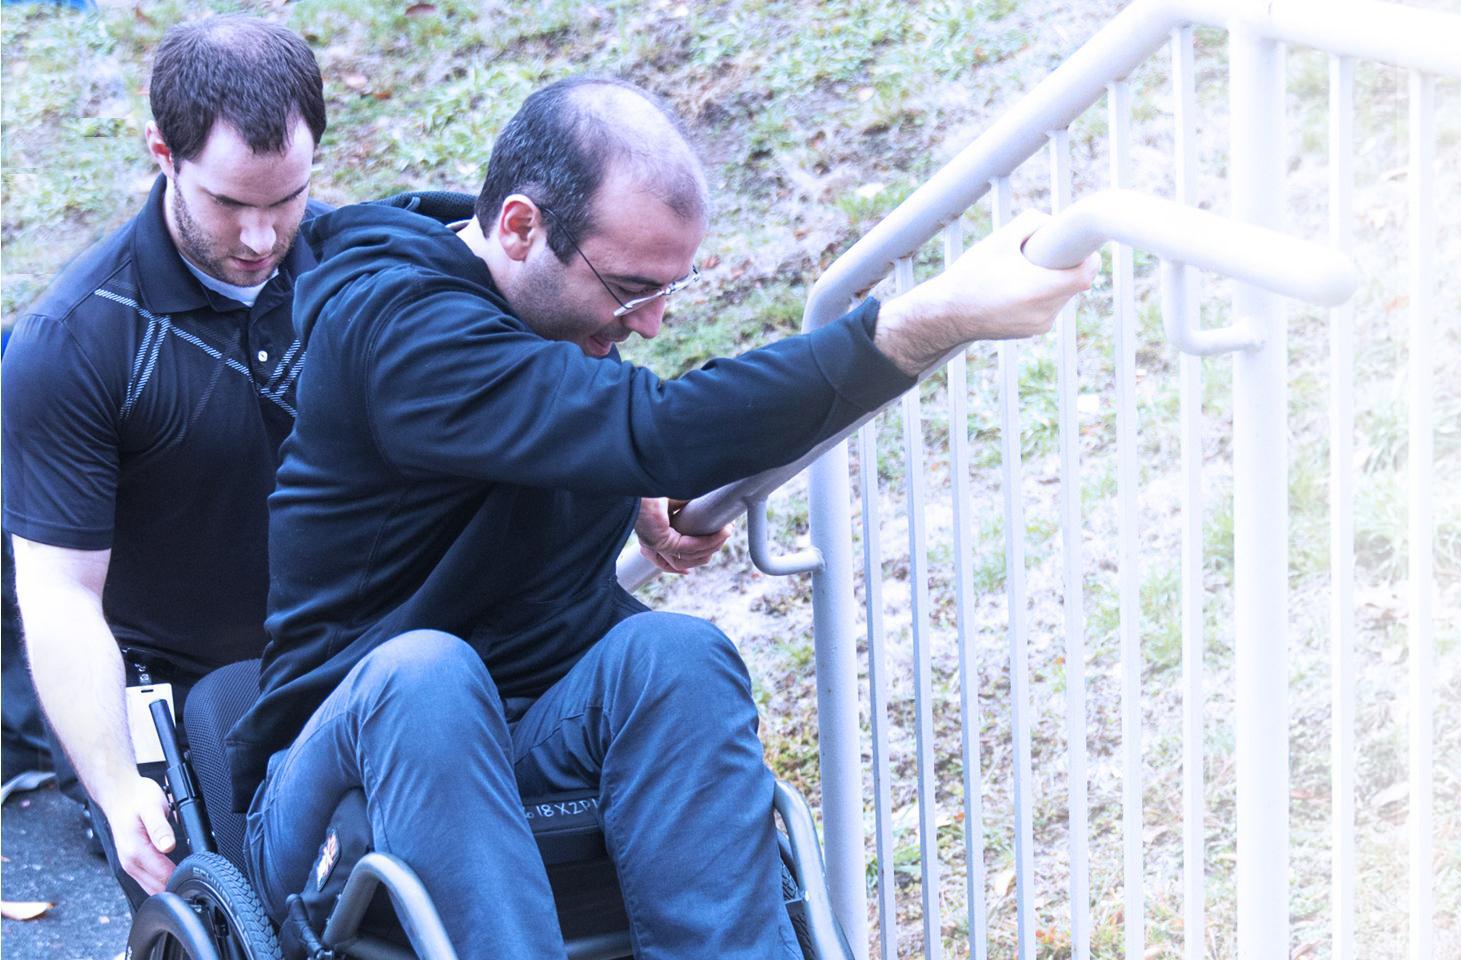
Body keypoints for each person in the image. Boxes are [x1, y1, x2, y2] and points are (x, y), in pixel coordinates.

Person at [227, 75, 1088, 956]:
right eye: (632, 287)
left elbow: (592, 424)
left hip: (529, 732)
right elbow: (648, 423)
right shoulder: (397, 326)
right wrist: (921, 323)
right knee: (426, 674)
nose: (653, 322)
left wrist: (611, 482)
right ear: (520, 227)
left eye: (671, 287)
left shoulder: (543, 321)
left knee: (677, 652)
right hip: (336, 771)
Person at [4, 14, 338, 902]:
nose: (264, 238)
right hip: (182, 699)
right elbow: (60, 592)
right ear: (162, 151)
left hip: (350, 656)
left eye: (288, 197)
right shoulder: (71, 343)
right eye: (230, 202)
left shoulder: (357, 273)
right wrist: (118, 792)